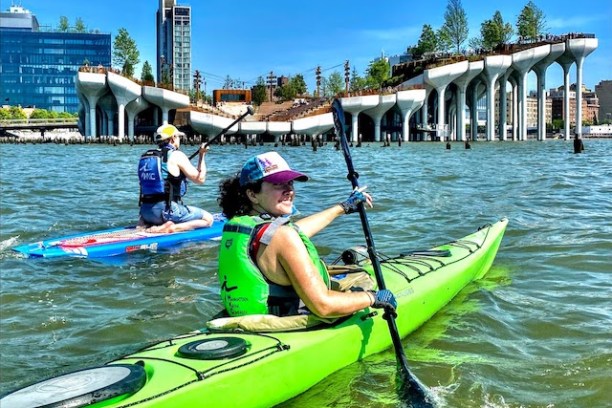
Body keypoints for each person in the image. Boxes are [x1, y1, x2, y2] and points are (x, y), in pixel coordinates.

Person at [216, 151, 397, 319]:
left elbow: (296, 231)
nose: (289, 190)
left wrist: (343, 207)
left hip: (247, 319)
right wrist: (373, 297)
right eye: (278, 184)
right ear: (252, 194)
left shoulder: (244, 226)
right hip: (285, 324)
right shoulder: (282, 237)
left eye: (290, 183)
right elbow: (323, 306)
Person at [138, 124, 214, 233]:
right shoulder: (176, 155)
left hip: (145, 213)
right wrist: (202, 155)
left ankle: (143, 223)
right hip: (165, 212)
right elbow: (200, 179)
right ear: (173, 138)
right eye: (178, 137)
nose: (179, 140)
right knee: (208, 219)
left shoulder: (146, 156)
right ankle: (173, 227)